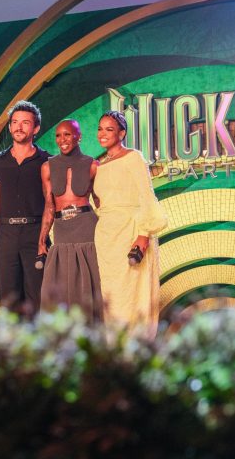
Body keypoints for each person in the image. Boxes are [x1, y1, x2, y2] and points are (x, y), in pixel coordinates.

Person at [93, 111, 168, 334]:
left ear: (122, 133)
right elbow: (101, 202)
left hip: (130, 232)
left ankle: (136, 345)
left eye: (109, 129)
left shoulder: (133, 157)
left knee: (134, 292)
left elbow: (146, 195)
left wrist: (143, 234)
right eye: (100, 129)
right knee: (111, 295)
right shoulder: (100, 165)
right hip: (107, 238)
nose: (103, 133)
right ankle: (114, 345)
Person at [38, 120, 103, 323]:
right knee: (60, 286)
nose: (62, 139)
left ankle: (91, 332)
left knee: (88, 284)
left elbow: (101, 203)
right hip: (62, 230)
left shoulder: (93, 165)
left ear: (78, 136)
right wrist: (41, 240)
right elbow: (49, 206)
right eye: (58, 135)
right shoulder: (47, 167)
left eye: (67, 134)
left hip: (87, 228)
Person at [0, 100, 50, 313]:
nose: (19, 127)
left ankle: (37, 336)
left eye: (25, 122)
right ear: (9, 127)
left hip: (35, 233)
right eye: (15, 122)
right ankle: (11, 336)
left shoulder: (47, 161)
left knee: (37, 296)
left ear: (35, 128)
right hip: (5, 234)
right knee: (8, 298)